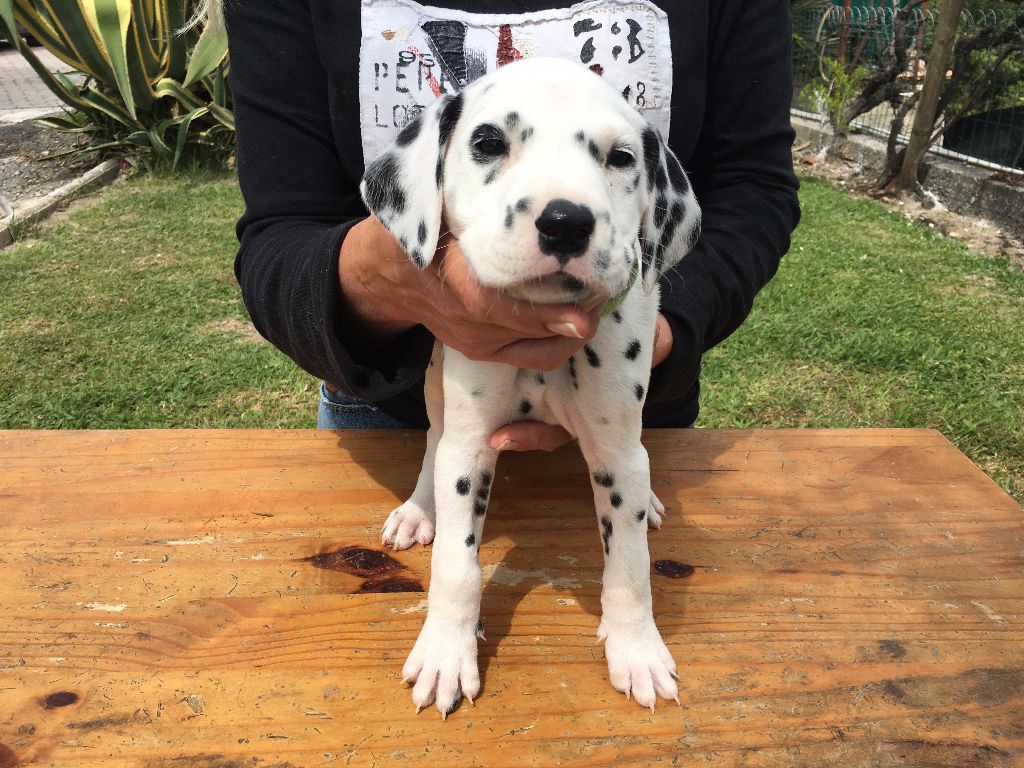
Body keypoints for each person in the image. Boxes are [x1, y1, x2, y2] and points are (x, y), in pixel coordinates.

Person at [224, 0, 801, 451]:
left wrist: (660, 331)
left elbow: (752, 184)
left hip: (631, 406)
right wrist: (385, 278)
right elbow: (282, 231)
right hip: (393, 417)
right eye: (490, 146)